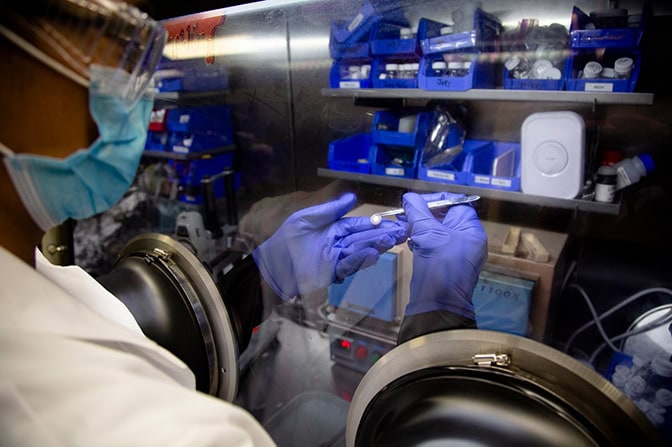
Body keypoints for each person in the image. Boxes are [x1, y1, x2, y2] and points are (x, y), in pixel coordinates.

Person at [0, 1, 488, 445]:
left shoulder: (28, 282)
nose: (132, 78)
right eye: (101, 25)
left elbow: (110, 324)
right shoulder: (161, 431)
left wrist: (260, 278)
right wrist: (438, 327)